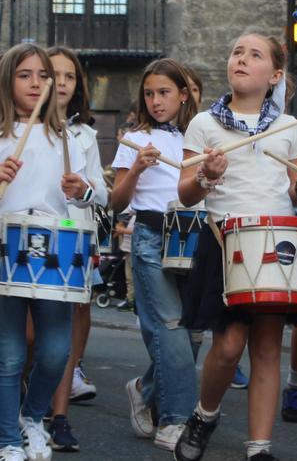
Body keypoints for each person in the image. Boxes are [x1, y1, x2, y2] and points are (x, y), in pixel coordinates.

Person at [174, 31, 297, 461]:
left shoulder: (288, 127)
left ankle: (259, 447)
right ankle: (205, 414)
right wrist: (207, 175)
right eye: (237, 51)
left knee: (265, 347)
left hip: (276, 241)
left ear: (275, 74)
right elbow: (186, 193)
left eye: (255, 55)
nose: (241, 59)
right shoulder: (203, 124)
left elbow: (294, 187)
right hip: (225, 239)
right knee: (226, 345)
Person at [0, 43, 95, 461]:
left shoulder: (65, 135)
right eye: (25, 75)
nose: (36, 83)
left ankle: (33, 418)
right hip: (3, 249)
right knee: (10, 353)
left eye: (43, 76)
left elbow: (89, 198)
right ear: (5, 81)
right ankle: (7, 442)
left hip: (56, 249)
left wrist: (81, 191)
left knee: (55, 351)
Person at [111, 58, 199, 452]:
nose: (155, 101)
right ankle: (176, 419)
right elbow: (116, 202)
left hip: (194, 235)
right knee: (170, 327)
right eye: (149, 94)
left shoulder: (197, 138)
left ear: (184, 94)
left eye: (164, 93)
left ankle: (144, 390)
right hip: (151, 233)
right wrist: (135, 170)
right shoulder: (134, 139)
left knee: (192, 333)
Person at [46, 47, 111, 452]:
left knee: (68, 332)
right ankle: (31, 403)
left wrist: (84, 190)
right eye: (55, 75)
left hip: (74, 236)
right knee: (37, 335)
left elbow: (101, 193)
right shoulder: (24, 130)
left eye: (70, 76)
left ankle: (59, 416)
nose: (63, 83)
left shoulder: (85, 135)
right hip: (35, 238)